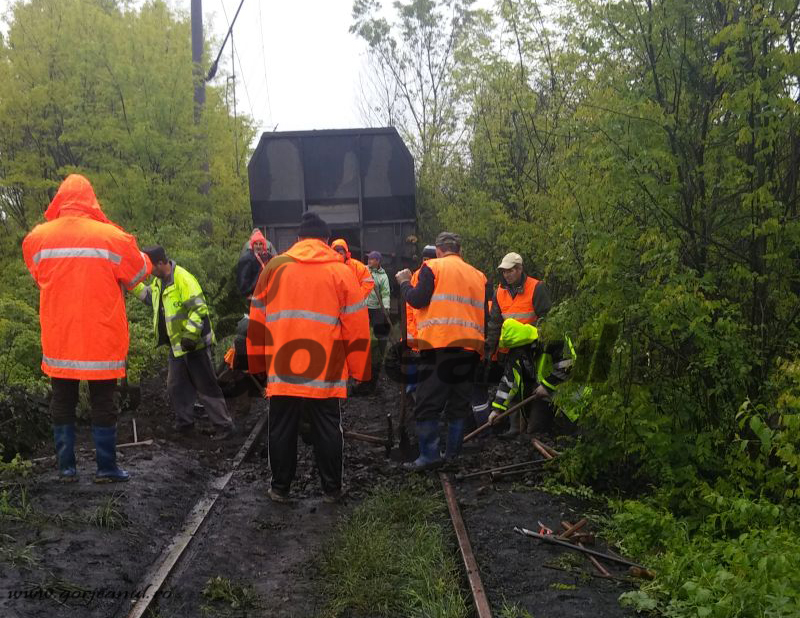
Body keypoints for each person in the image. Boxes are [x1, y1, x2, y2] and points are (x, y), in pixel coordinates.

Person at [22, 174, 151, 483]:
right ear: (91, 200)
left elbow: (38, 274)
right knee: (103, 401)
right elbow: (139, 271)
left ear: (60, 199)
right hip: (100, 337)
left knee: (62, 401)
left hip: (60, 337)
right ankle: (106, 468)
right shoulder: (112, 237)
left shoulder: (37, 238)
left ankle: (66, 469)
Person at [247, 212, 371, 503]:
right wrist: (360, 371)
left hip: (284, 364)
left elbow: (257, 319)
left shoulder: (274, 268)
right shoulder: (341, 271)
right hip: (325, 366)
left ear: (298, 239)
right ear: (326, 241)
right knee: (327, 426)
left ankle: (280, 489)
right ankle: (332, 490)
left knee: (281, 426)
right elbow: (356, 325)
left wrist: (257, 364)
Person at [396, 232, 488, 470]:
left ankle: (429, 456)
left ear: (438, 250)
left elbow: (417, 299)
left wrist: (405, 282)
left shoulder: (432, 267)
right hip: (470, 347)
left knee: (427, 403)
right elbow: (484, 316)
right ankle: (452, 456)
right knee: (459, 404)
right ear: (460, 250)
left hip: (440, 345)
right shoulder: (478, 275)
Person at [134, 245, 235, 440]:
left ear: (160, 263)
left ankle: (225, 426)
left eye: (150, 266)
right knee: (176, 386)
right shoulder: (158, 282)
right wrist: (130, 283)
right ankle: (185, 424)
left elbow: (199, 309)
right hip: (177, 346)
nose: (148, 271)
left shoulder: (183, 279)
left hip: (194, 345)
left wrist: (190, 335)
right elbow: (149, 297)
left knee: (206, 387)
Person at [485, 252, 552, 437]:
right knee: (512, 385)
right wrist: (489, 352)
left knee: (534, 387)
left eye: (510, 270)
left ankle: (535, 427)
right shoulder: (499, 292)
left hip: (534, 346)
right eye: (504, 271)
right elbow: (494, 324)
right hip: (510, 349)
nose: (506, 274)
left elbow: (547, 318)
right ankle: (516, 427)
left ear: (520, 269)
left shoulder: (536, 287)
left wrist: (540, 340)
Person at [365, 251, 391, 389]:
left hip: (376, 308)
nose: (369, 261)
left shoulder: (383, 276)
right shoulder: (364, 271)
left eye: (372, 259)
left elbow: (385, 293)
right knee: (363, 332)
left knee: (380, 332)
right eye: (369, 258)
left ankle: (381, 355)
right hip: (363, 307)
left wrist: (385, 308)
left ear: (378, 261)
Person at [236, 228, 275, 298]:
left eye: (260, 244)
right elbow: (243, 277)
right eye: (256, 244)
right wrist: (248, 294)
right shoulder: (247, 258)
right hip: (253, 294)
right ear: (252, 245)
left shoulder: (268, 256)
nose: (258, 246)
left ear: (263, 245)